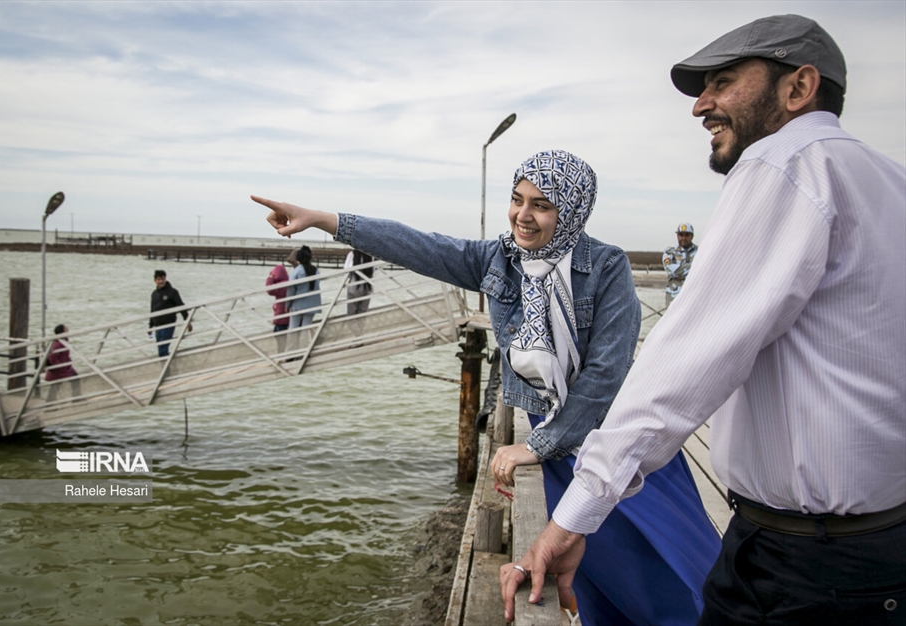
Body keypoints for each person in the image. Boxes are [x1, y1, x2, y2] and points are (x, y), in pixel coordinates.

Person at [500, 15, 905, 626]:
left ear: (798, 88)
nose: (701, 106)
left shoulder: (785, 165)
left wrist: (572, 517)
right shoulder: (889, 181)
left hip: (804, 562)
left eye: (723, 83)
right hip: (882, 543)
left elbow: (682, 364)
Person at [252, 150, 721, 625]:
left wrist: (537, 444)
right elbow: (420, 246)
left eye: (542, 204)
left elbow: (606, 376)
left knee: (672, 580)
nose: (523, 215)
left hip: (618, 445)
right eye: (517, 200)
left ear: (573, 209)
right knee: (601, 586)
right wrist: (325, 221)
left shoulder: (605, 267)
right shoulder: (499, 259)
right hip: (555, 455)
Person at [149, 269, 192, 357]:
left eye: (162, 279)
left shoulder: (172, 292)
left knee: (163, 348)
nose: (161, 281)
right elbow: (152, 310)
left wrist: (187, 320)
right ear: (155, 280)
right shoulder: (154, 294)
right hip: (158, 325)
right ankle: (165, 366)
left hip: (168, 324)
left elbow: (180, 306)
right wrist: (150, 326)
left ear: (165, 279)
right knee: (160, 347)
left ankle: (165, 368)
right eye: (158, 279)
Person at [662, 222, 698, 307]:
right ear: (677, 236)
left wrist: (682, 272)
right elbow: (672, 271)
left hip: (694, 296)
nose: (684, 238)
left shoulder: (700, 252)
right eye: (681, 235)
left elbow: (704, 269)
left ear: (692, 236)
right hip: (674, 297)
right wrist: (694, 270)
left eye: (687, 235)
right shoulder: (669, 252)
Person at [287, 245, 321, 329]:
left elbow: (291, 289)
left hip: (298, 304)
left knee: (293, 328)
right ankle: (305, 342)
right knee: (306, 329)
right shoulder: (316, 270)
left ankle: (292, 343)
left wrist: (287, 305)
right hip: (312, 304)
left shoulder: (297, 270)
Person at [44, 324, 80, 401]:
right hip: (60, 368)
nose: (68, 328)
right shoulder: (58, 343)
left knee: (74, 378)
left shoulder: (62, 340)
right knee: (57, 385)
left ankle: (76, 397)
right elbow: (52, 358)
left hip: (64, 366)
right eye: (66, 328)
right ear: (62, 331)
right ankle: (76, 398)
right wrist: (61, 366)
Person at [344, 248, 374, 316]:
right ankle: (360, 327)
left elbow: (346, 269)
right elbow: (372, 271)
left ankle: (352, 327)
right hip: (366, 287)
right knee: (362, 314)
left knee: (351, 314)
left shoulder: (352, 254)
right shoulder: (370, 255)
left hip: (353, 286)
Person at [266, 260, 290, 332]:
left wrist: (270, 279)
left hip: (281, 316)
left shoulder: (281, 285)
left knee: (278, 334)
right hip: (287, 316)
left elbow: (269, 290)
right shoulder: (288, 283)